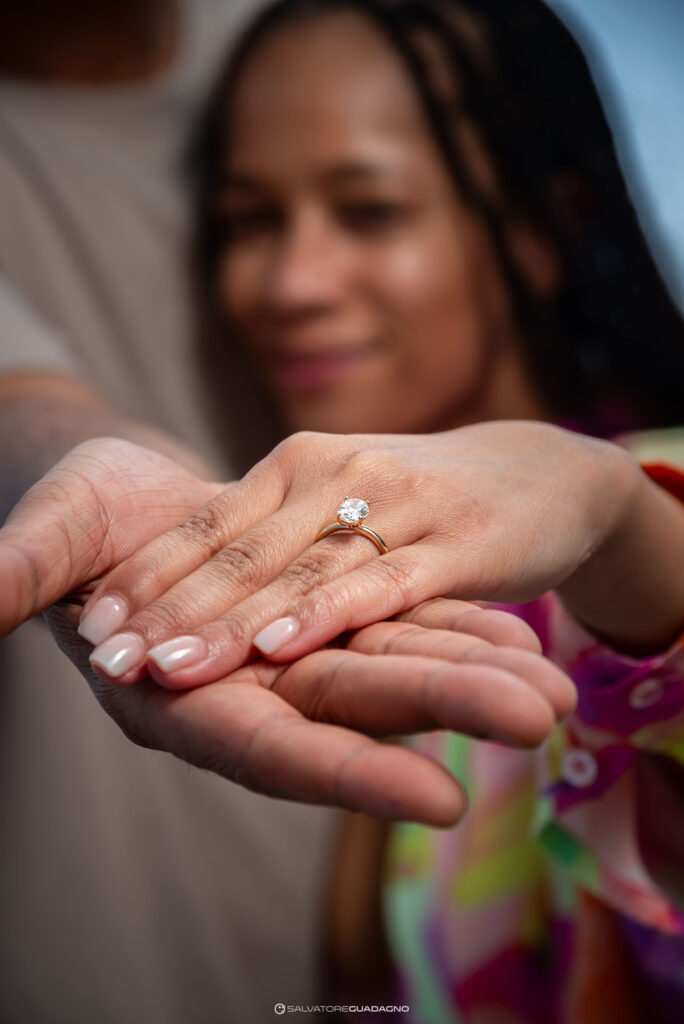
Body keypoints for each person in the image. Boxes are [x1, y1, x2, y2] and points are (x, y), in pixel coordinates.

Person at [55, 0, 684, 1019]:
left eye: (370, 210)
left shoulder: (638, 506)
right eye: (251, 220)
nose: (293, 282)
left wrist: (610, 504)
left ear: (541, 231)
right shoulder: (305, 540)